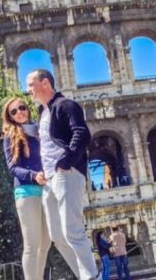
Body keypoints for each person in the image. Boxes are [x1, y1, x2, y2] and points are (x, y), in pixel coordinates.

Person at [26, 69, 99, 280]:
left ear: (45, 83)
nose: (28, 90)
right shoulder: (43, 111)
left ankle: (91, 277)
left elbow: (82, 132)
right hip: (49, 180)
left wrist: (66, 162)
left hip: (66, 173)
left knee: (72, 230)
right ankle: (84, 275)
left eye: (31, 84)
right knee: (57, 236)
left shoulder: (66, 105)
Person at [2, 97, 51, 280]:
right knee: (32, 244)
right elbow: (12, 167)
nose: (19, 113)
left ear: (27, 109)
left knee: (45, 243)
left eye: (21, 108)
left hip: (46, 190)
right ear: (10, 117)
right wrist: (33, 175)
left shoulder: (39, 130)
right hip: (26, 192)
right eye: (13, 112)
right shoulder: (10, 136)